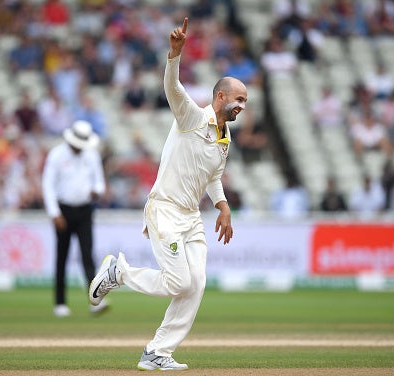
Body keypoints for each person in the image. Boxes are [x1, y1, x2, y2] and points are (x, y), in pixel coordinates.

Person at [89, 18, 247, 371]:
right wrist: (174, 55)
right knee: (179, 282)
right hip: (165, 211)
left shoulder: (224, 137)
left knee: (196, 284)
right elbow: (173, 89)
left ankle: (157, 352)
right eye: (238, 99)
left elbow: (214, 176)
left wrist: (222, 206)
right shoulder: (192, 117)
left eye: (245, 101)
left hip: (192, 217)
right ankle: (119, 273)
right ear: (219, 97)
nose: (242, 106)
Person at [41, 120, 107, 318]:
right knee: (62, 257)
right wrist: (54, 213)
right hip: (64, 211)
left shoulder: (91, 155)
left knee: (87, 256)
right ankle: (60, 303)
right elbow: (48, 185)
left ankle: (95, 301)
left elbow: (99, 181)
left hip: (85, 209)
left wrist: (98, 191)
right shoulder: (57, 155)